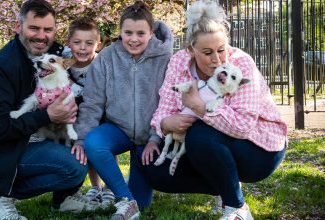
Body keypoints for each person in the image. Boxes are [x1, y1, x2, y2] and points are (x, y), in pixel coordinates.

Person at [139, 0, 288, 219]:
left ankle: (236, 208)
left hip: (260, 149)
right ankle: (225, 183)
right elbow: (165, 106)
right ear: (191, 49)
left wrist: (198, 106)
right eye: (207, 52)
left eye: (221, 50)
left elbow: (244, 127)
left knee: (200, 136)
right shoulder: (179, 62)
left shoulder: (241, 63)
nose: (217, 59)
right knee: (151, 166)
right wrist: (164, 124)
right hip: (208, 146)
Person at [0, 1, 99, 219]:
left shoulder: (53, 53)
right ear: (18, 27)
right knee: (73, 166)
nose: (41, 36)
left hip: (38, 137)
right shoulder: (0, 67)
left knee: (84, 149)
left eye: (48, 29)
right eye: (34, 28)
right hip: (0, 150)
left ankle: (63, 199)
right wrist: (46, 115)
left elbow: (83, 56)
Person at [72, 1, 173, 219]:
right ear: (120, 32)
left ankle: (136, 196)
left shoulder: (166, 58)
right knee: (94, 144)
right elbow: (92, 103)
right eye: (128, 32)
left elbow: (170, 102)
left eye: (140, 33)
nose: (133, 39)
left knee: (144, 201)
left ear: (151, 32)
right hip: (118, 130)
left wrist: (155, 137)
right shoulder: (108, 57)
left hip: (150, 136)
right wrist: (80, 139)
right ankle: (126, 200)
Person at [66, 17, 116, 206]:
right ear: (69, 42)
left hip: (103, 113)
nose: (82, 48)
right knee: (86, 149)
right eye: (77, 42)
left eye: (89, 43)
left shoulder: (101, 63)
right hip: (79, 114)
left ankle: (109, 188)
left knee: (105, 149)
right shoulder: (66, 65)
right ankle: (95, 186)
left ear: (98, 44)